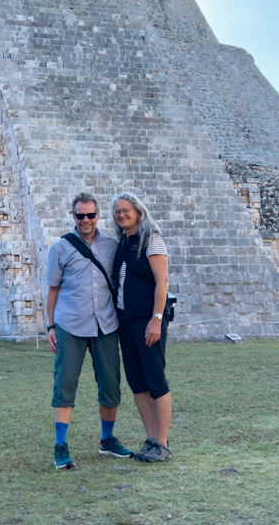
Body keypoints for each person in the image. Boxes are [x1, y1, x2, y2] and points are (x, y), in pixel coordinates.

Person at [46, 193, 134, 469]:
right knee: (65, 383)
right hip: (70, 324)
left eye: (90, 215)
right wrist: (49, 325)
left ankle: (107, 440)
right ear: (73, 216)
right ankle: (61, 446)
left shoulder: (111, 245)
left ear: (98, 216)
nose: (86, 220)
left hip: (105, 324)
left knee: (110, 383)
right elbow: (53, 288)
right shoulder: (61, 248)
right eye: (80, 216)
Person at [111, 192, 173, 462]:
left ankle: (162, 443)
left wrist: (156, 319)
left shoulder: (151, 238)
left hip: (148, 319)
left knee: (154, 378)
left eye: (126, 210)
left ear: (138, 211)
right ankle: (151, 439)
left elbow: (163, 281)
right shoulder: (123, 243)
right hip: (126, 320)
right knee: (136, 381)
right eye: (117, 212)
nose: (122, 215)